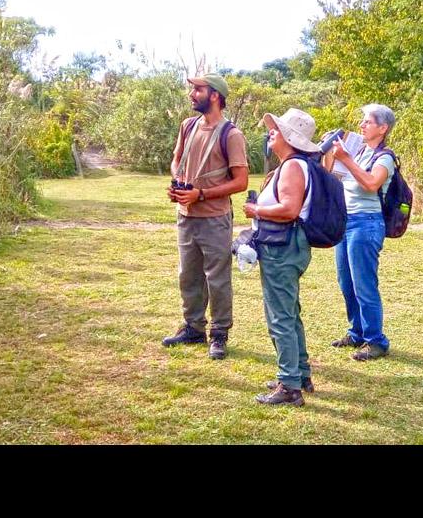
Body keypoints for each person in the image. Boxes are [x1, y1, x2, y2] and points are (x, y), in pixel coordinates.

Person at [162, 73, 249, 360]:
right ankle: (193, 327)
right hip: (186, 216)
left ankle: (219, 334)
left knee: (217, 279)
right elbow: (176, 160)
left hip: (214, 218)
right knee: (188, 275)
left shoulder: (231, 135)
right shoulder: (187, 126)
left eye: (198, 89)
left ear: (214, 95)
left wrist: (200, 194)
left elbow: (241, 182)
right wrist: (179, 183)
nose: (192, 94)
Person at [243, 108, 320, 406]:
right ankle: (299, 373)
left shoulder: (292, 167)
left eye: (277, 129)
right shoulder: (297, 164)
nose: (271, 133)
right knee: (290, 312)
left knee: (280, 316)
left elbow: (289, 209)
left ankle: (289, 385)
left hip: (282, 247)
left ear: (290, 137)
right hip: (289, 244)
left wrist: (256, 210)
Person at [328, 104, 396, 360]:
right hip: (346, 222)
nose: (362, 125)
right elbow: (333, 175)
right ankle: (356, 332)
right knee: (346, 282)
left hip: (366, 223)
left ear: (383, 128)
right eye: (363, 121)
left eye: (368, 122)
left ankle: (376, 340)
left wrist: (346, 159)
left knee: (364, 284)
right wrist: (331, 151)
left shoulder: (385, 157)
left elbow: (370, 183)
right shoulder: (358, 151)